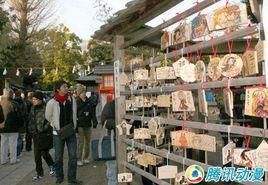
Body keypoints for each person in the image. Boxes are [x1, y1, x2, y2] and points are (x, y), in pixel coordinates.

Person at [45, 80, 82, 185]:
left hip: (70, 131)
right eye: (64, 86)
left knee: (73, 156)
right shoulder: (52, 102)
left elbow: (74, 113)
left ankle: (72, 178)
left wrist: (74, 125)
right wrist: (55, 126)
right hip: (58, 133)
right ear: (58, 89)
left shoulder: (71, 99)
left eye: (67, 86)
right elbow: (48, 116)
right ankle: (59, 177)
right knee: (58, 157)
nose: (67, 88)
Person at [28, 91, 55, 180]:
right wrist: (30, 131)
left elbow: (50, 120)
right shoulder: (32, 108)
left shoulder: (45, 108)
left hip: (44, 135)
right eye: (33, 99)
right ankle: (39, 173)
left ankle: (52, 165)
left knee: (44, 153)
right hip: (35, 134)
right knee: (37, 156)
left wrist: (44, 128)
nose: (34, 101)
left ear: (40, 100)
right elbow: (31, 121)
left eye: (36, 99)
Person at [0, 89, 22, 164]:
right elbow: (19, 116)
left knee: (3, 144)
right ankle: (13, 159)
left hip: (3, 126)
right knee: (13, 144)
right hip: (13, 127)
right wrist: (20, 125)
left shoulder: (1, 103)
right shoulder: (15, 104)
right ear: (12, 95)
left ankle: (3, 159)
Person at [100, 99, 116, 185]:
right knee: (112, 169)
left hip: (129, 141)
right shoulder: (111, 105)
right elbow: (104, 121)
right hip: (113, 141)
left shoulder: (132, 105)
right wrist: (119, 123)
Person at [76, 87, 92, 166]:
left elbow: (92, 111)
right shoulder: (76, 101)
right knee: (81, 142)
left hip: (88, 123)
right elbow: (75, 112)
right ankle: (79, 158)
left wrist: (94, 120)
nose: (84, 94)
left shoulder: (89, 100)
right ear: (79, 93)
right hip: (80, 124)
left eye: (85, 92)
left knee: (88, 142)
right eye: (82, 92)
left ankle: (86, 157)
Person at [13, 89, 27, 157]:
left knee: (13, 139)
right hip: (21, 122)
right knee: (20, 138)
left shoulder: (12, 103)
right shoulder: (23, 103)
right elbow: (25, 113)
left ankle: (13, 152)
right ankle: (18, 152)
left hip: (13, 123)